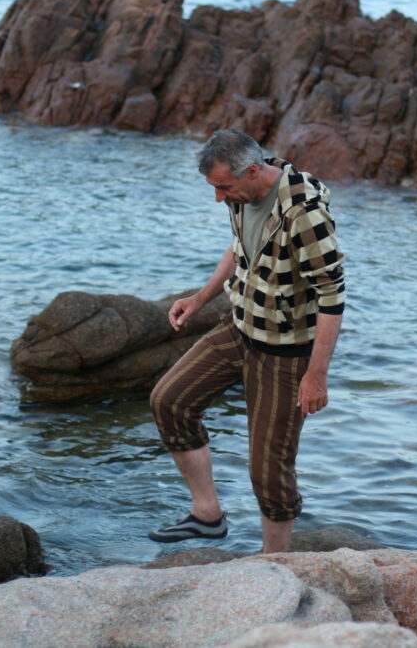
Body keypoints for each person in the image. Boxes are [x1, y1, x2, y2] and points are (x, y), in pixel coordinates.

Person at [148, 129, 345, 553]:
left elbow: (332, 295)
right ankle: (207, 515)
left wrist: (316, 375)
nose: (218, 198)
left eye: (223, 187)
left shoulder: (305, 213)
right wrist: (199, 298)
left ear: (253, 171)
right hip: (239, 327)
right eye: (215, 187)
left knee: (269, 469)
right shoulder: (244, 195)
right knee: (169, 400)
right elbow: (239, 248)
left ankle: (275, 563)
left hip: (286, 351)